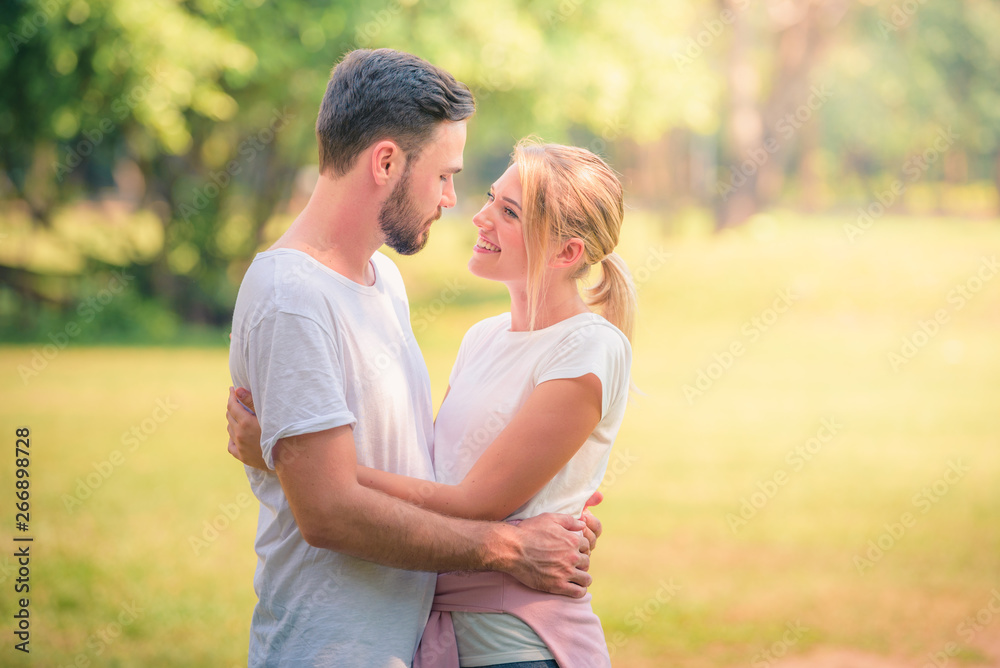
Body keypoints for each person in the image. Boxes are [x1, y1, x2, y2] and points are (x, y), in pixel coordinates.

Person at [226, 49, 601, 667]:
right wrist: (509, 549)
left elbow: (416, 460)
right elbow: (330, 513)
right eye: (445, 175)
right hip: (331, 650)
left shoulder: (383, 282)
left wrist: (555, 506)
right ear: (385, 162)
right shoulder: (291, 296)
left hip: (414, 646)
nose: (454, 198)